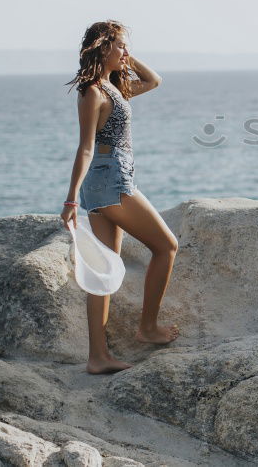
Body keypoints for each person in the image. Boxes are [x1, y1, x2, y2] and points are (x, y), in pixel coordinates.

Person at [61, 20, 180, 374]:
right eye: (120, 46)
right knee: (166, 246)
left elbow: (154, 81)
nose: (126, 53)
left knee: (104, 270)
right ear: (103, 47)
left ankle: (98, 358)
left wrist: (127, 55)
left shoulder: (112, 87)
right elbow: (85, 148)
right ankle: (148, 328)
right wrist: (69, 202)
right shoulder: (93, 92)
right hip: (110, 179)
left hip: (108, 180)